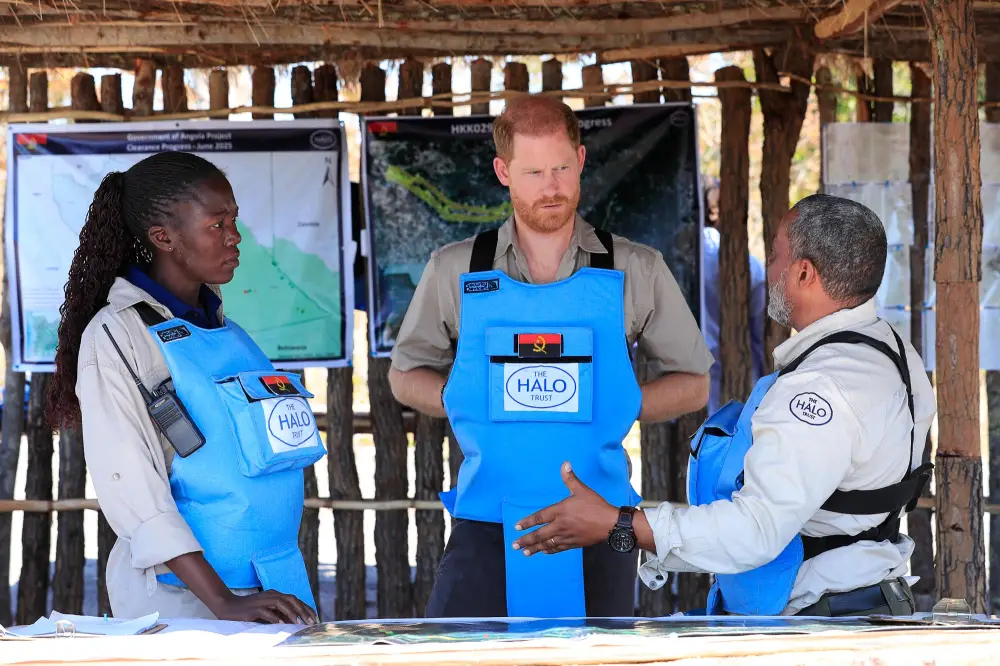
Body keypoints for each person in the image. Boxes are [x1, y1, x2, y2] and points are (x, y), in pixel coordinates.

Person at [510, 194, 935, 618]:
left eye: (775, 256)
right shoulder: (896, 353)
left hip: (822, 621)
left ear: (804, 273)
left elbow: (754, 531)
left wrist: (620, 524)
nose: (768, 269)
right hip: (870, 600)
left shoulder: (818, 388)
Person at [387, 94, 714, 619]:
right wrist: (459, 396)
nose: (552, 186)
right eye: (534, 172)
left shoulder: (636, 267)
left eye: (561, 167)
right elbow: (404, 374)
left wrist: (619, 403)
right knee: (457, 654)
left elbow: (694, 383)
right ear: (503, 172)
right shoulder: (456, 269)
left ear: (581, 160)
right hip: (486, 520)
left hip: (600, 520)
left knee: (596, 656)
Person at [47, 152, 324, 624]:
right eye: (217, 224)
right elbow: (133, 487)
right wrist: (223, 601)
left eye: (233, 219)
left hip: (273, 584)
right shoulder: (118, 334)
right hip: (186, 603)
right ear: (164, 238)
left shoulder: (230, 333)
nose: (235, 236)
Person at [701, 219, 766, 415]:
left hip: (683, 392)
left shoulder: (662, 258)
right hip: (743, 390)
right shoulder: (749, 267)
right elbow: (765, 333)